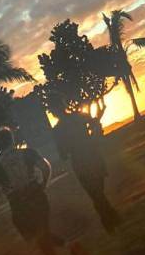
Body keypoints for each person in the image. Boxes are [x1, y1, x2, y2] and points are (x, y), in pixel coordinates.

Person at [0, 126, 87, 255]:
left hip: (19, 205)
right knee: (43, 233)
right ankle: (68, 248)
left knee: (38, 237)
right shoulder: (28, 152)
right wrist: (43, 184)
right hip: (37, 195)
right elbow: (45, 166)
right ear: (12, 139)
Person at [50, 97, 121, 234]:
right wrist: (93, 137)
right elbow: (95, 124)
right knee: (98, 192)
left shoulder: (57, 130)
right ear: (64, 105)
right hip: (92, 155)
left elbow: (63, 154)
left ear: (53, 112)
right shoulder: (78, 117)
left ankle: (109, 219)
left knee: (95, 194)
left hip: (79, 162)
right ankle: (110, 218)